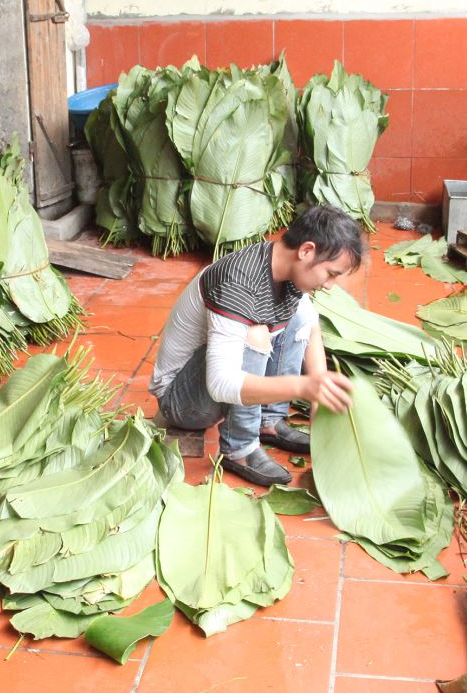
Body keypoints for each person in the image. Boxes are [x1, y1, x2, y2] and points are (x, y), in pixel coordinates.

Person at [150, 205, 361, 487]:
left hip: (206, 387)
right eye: (331, 274)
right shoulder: (238, 282)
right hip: (183, 402)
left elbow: (309, 326)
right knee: (257, 333)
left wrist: (318, 392)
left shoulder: (283, 266)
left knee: (299, 316)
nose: (330, 285)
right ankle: (240, 448)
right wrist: (302, 387)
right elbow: (220, 384)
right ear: (306, 251)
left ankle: (268, 421)